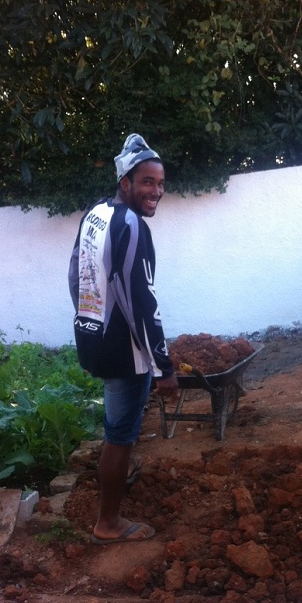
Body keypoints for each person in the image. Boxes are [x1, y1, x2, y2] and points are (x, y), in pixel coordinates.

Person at [68, 133, 178, 545]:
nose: (156, 192)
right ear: (126, 182)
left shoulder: (96, 213)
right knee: (120, 433)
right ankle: (108, 522)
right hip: (124, 349)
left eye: (160, 183)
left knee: (119, 424)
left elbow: (74, 273)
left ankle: (123, 469)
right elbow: (141, 302)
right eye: (147, 182)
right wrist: (163, 365)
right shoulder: (131, 226)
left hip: (95, 336)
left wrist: (87, 319)